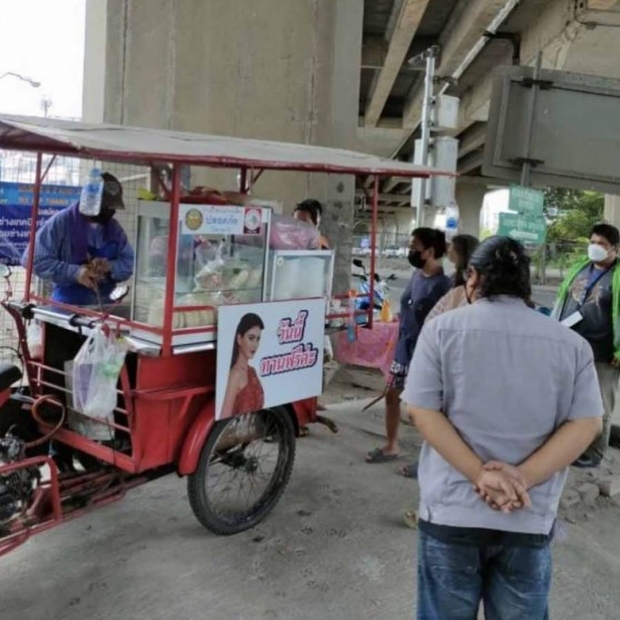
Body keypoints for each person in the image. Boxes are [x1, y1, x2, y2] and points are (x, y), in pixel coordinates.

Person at [402, 236, 603, 619]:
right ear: (524, 283)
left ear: (472, 278)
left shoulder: (442, 330)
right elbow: (587, 423)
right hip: (526, 516)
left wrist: (480, 474)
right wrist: (522, 479)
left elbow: (420, 410)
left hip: (452, 514)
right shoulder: (571, 345)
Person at [366, 228, 451, 464]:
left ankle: (429, 460)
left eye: (415, 248)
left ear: (430, 251)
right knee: (392, 397)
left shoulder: (443, 284)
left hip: (426, 352)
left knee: (424, 408)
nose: (411, 251)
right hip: (404, 347)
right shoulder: (416, 275)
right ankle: (392, 446)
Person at [400, 233, 479, 482]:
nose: (448, 250)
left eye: (452, 247)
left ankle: (447, 463)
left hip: (455, 357)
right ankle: (435, 461)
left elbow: (437, 321)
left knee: (445, 415)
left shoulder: (452, 286)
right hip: (442, 354)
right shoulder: (453, 283)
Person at [553, 222, 620, 468]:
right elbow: (562, 299)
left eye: (601, 244)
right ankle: (569, 447)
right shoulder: (580, 268)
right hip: (570, 346)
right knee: (568, 400)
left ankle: (594, 454)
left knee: (600, 403)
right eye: (592, 242)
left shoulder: (617, 275)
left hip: (604, 353)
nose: (595, 248)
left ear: (615, 248)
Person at [24, 172, 134, 306]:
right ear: (90, 202)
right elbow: (32, 260)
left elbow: (129, 264)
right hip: (68, 308)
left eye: (112, 207)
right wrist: (76, 273)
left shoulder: (114, 229)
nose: (110, 211)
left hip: (105, 306)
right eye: (106, 207)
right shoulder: (62, 223)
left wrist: (109, 266)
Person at [220, 313, 265, 419]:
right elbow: (225, 416)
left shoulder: (252, 371)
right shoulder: (235, 374)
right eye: (251, 338)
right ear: (239, 339)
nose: (255, 345)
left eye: (258, 339)